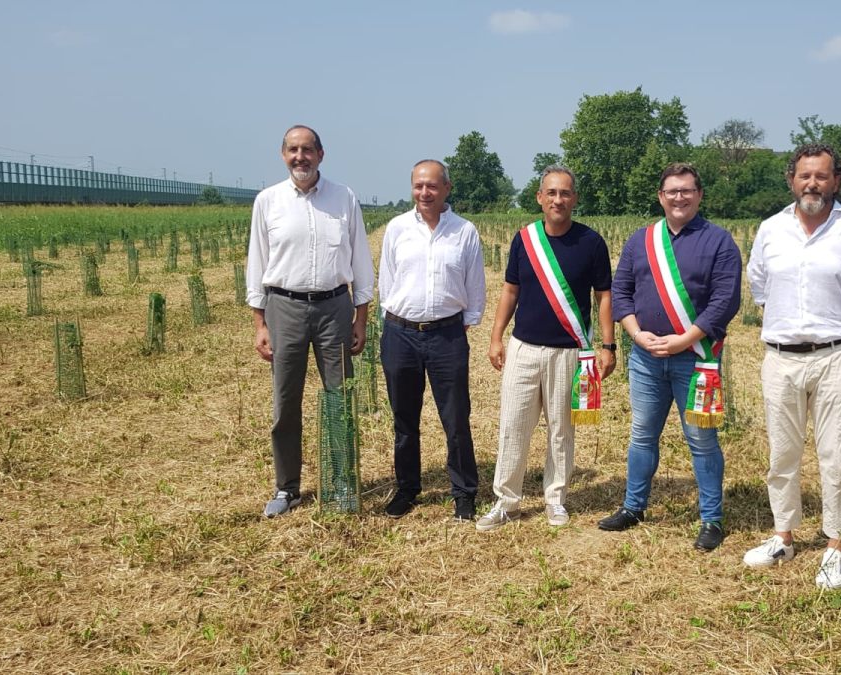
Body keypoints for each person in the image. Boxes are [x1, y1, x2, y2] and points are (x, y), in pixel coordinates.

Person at [742, 143, 841, 589]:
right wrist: (792, 329)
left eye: (822, 176)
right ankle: (783, 536)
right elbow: (760, 287)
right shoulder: (770, 229)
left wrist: (834, 329)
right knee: (782, 453)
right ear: (791, 180)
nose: (813, 184)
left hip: (835, 358)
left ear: (836, 181)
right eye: (805, 176)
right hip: (781, 360)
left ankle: (834, 545)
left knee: (835, 453)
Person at [599, 162, 741, 552]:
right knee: (642, 435)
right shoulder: (641, 240)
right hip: (644, 358)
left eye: (687, 190)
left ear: (699, 194)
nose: (679, 197)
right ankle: (633, 507)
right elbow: (621, 290)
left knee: (702, 440)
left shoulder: (719, 241)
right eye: (672, 191)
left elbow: (724, 301)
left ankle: (711, 518)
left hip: (695, 358)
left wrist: (684, 340)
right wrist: (634, 333)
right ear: (661, 197)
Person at [246, 124, 374, 518]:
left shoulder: (343, 198)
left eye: (307, 150)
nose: (300, 157)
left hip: (335, 308)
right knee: (286, 402)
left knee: (339, 398)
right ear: (283, 155)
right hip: (283, 308)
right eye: (292, 150)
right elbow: (258, 262)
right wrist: (260, 323)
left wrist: (361, 315)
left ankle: (341, 485)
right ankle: (287, 488)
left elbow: (359, 259)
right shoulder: (268, 202)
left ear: (321, 154)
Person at [481, 165, 615, 531]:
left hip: (569, 353)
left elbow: (604, 296)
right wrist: (496, 337)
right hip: (524, 348)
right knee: (513, 425)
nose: (559, 199)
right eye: (552, 193)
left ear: (575, 198)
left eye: (566, 193)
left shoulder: (591, 243)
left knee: (561, 429)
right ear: (540, 197)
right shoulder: (524, 240)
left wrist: (608, 344)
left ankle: (555, 499)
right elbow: (510, 290)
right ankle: (506, 501)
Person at [378, 159, 485, 520]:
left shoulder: (464, 231)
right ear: (412, 188)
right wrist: (398, 319)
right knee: (404, 418)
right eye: (419, 186)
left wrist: (459, 326)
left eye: (432, 186)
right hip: (400, 334)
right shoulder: (396, 228)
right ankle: (407, 489)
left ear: (446, 189)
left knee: (455, 418)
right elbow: (387, 283)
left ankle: (464, 492)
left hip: (447, 336)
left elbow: (475, 286)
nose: (425, 193)